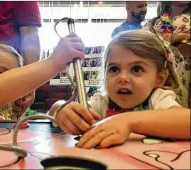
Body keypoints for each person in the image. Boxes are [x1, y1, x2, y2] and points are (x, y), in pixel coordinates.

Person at [50, 30, 190, 149]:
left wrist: (128, 121)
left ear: (159, 79)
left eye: (136, 69)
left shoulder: (159, 98)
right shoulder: (103, 103)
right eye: (114, 69)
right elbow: (59, 112)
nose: (122, 78)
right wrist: (61, 109)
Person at [143, 1, 191, 108]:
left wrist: (166, 42)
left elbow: (185, 50)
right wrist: (181, 37)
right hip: (156, 81)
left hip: (184, 84)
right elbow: (145, 49)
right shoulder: (156, 21)